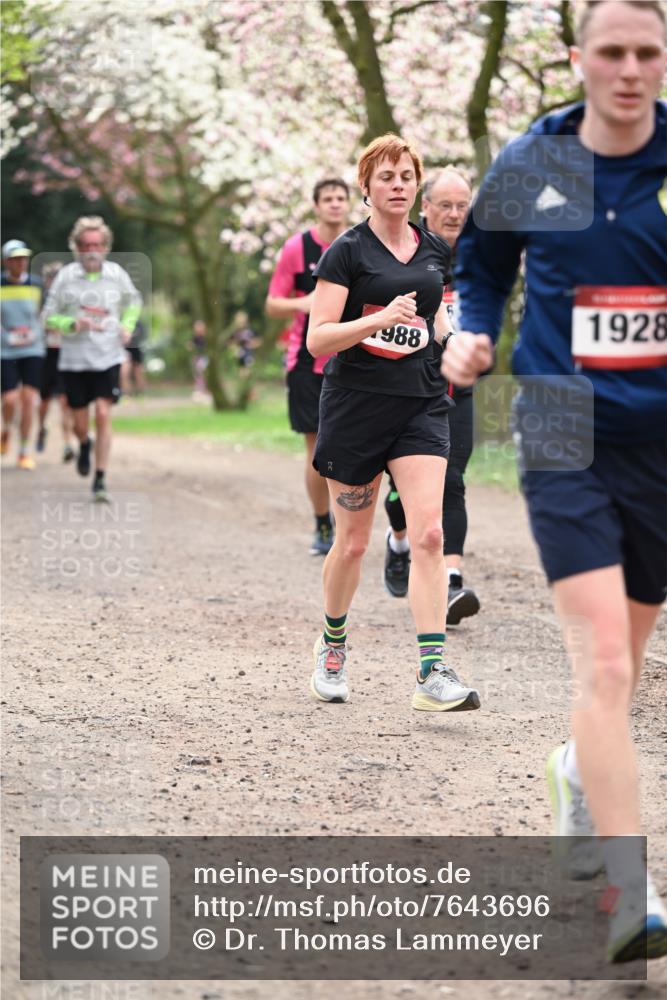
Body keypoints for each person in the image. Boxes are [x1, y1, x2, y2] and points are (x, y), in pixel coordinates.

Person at [443, 0, 667, 963]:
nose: (627, 69)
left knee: (631, 658)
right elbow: (481, 265)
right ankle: (629, 894)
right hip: (561, 425)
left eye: (646, 52)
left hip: (659, 438)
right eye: (609, 52)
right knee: (606, 664)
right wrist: (471, 328)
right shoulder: (535, 165)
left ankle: (576, 769)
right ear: (576, 59)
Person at [306, 134, 481, 713]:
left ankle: (432, 670)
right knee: (353, 544)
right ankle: (333, 645)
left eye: (407, 176)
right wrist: (378, 317)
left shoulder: (434, 250)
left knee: (429, 533)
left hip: (421, 403)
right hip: (356, 405)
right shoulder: (346, 253)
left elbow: (437, 318)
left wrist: (453, 340)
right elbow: (318, 339)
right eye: (387, 177)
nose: (399, 185)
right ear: (367, 187)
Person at [383, 167, 481, 627]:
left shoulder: (482, 256)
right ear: (427, 206)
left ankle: (453, 581)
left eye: (463, 206)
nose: (456, 214)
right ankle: (398, 541)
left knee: (453, 480)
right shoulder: (408, 250)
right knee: (401, 495)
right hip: (408, 388)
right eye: (447, 205)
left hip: (459, 388)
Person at [265, 178, 351, 557]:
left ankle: (351, 523)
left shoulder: (360, 244)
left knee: (352, 448)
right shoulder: (297, 249)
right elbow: (272, 303)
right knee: (318, 450)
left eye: (340, 198)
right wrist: (308, 304)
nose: (334, 204)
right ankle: (322, 523)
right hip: (306, 362)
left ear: (350, 204)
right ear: (316, 206)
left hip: (353, 360)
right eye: (327, 199)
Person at [42, 217, 142, 502]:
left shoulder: (116, 274)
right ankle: (84, 443)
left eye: (97, 244)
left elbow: (133, 301)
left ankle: (100, 478)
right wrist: (71, 323)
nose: (91, 250)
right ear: (76, 247)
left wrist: (127, 325)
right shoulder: (66, 277)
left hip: (107, 357)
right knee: (79, 423)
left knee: (103, 412)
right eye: (85, 245)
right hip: (74, 360)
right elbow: (47, 317)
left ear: (106, 247)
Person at [1, 239, 45, 470]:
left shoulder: (36, 285)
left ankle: (24, 451)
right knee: (9, 399)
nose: (21, 263)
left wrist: (34, 334)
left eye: (24, 258)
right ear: (5, 261)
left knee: (29, 399)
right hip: (5, 350)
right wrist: (6, 335)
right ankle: (6, 430)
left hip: (32, 349)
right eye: (16, 259)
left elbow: (43, 315)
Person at [36, 261, 75, 462]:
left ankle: (68, 443)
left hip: (65, 355)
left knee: (64, 402)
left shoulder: (72, 300)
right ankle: (42, 427)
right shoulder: (41, 301)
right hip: (46, 355)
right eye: (51, 278)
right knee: (43, 401)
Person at [121, 316, 147, 396]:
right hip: (124, 348)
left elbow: (142, 335)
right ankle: (127, 393)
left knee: (138, 371)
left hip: (135, 348)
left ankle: (141, 393)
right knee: (124, 372)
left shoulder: (138, 322)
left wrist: (131, 336)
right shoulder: (121, 319)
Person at [190, 319, 209, 398]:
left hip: (204, 358)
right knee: (198, 374)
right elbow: (192, 346)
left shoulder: (206, 337)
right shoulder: (195, 337)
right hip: (197, 358)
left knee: (203, 373)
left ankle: (205, 390)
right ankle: (200, 390)